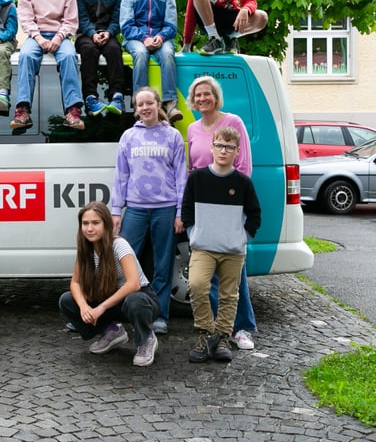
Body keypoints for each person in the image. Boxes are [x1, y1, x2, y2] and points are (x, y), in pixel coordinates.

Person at [186, 74, 258, 351]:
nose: (202, 98)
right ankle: (215, 329)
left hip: (230, 208)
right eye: (198, 95)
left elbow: (245, 168)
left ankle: (241, 328)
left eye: (208, 94)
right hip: (205, 211)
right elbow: (193, 171)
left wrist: (239, 221)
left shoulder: (233, 122)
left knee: (233, 274)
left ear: (216, 97)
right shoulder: (192, 129)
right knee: (204, 277)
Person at [110, 86, 187, 335]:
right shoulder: (128, 137)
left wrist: (179, 212)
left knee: (163, 264)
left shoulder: (172, 136)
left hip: (165, 209)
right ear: (136, 110)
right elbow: (120, 176)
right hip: (135, 208)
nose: (145, 108)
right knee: (123, 263)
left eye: (149, 103)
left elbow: (181, 176)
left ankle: (160, 316)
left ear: (158, 106)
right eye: (140, 104)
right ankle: (119, 313)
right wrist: (115, 210)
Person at [59, 202, 160, 367]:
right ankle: (111, 331)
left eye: (95, 223)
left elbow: (133, 284)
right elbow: (75, 283)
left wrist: (101, 308)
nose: (89, 228)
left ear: (106, 224)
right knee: (67, 300)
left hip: (140, 300)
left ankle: (146, 338)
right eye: (85, 224)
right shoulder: (86, 248)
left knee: (135, 300)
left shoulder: (119, 245)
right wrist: (84, 306)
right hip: (110, 301)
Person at [11, 0, 86, 131]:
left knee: (69, 57)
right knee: (26, 56)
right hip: (36, 36)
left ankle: (72, 110)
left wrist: (58, 38)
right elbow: (26, 19)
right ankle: (23, 110)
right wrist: (39, 38)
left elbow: (70, 21)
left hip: (60, 36)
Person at [120, 0, 182, 123]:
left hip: (161, 37)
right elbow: (126, 25)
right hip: (136, 37)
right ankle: (140, 104)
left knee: (168, 55)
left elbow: (171, 24)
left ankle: (170, 103)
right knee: (140, 55)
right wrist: (143, 38)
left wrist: (161, 37)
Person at [75, 0, 126, 117]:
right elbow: (81, 18)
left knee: (114, 50)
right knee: (89, 51)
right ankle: (90, 97)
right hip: (85, 34)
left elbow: (117, 19)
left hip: (107, 34)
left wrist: (109, 32)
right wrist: (92, 34)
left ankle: (117, 96)